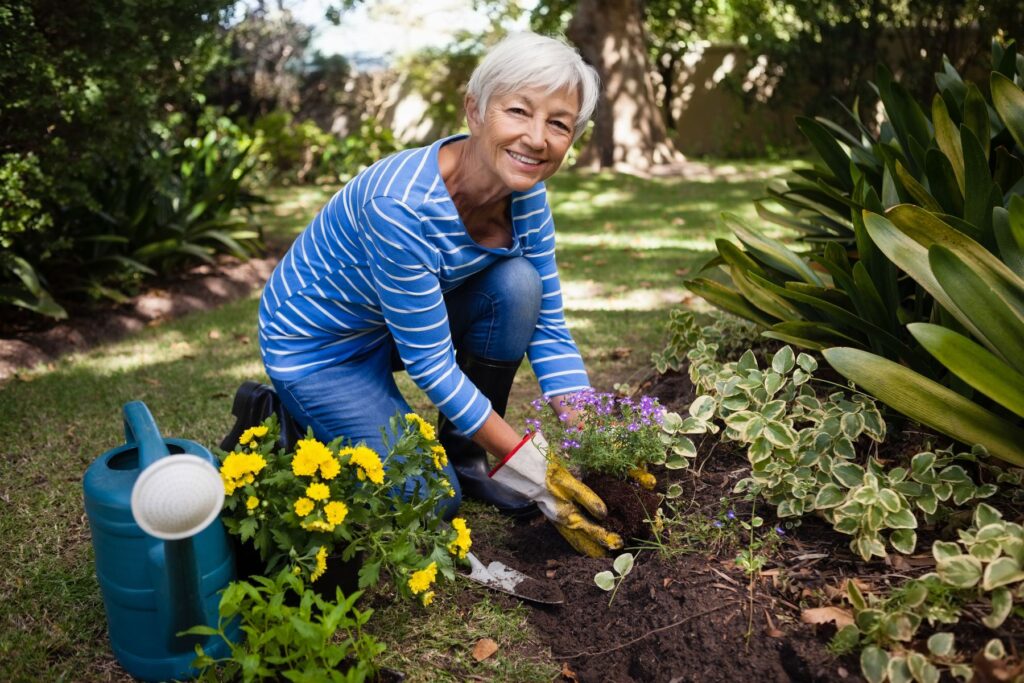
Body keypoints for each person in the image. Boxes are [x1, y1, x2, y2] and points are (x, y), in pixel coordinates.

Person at [244, 31, 622, 557]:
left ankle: (469, 459)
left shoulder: (526, 197)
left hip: (390, 322)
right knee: (428, 496)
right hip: (319, 349)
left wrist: (601, 441)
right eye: (518, 111)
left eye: (558, 123)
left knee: (518, 286)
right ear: (475, 110)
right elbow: (432, 362)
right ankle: (284, 410)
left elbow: (549, 327)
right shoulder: (399, 205)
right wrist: (530, 465)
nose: (537, 138)